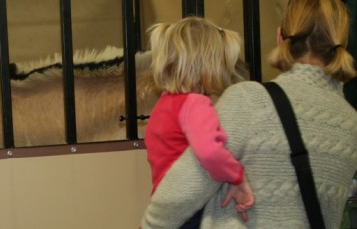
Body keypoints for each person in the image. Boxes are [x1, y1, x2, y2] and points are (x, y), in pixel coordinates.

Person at [141, 0, 357, 228]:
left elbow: (184, 188)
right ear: (341, 45)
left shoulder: (249, 100)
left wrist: (151, 224)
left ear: (280, 37)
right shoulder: (350, 122)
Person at [144, 16, 253, 228]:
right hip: (191, 209)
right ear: (211, 63)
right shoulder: (195, 103)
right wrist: (237, 176)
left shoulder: (164, 104)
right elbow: (210, 152)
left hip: (165, 207)